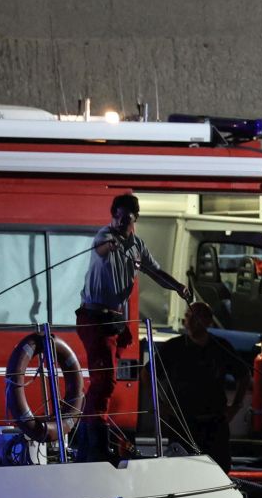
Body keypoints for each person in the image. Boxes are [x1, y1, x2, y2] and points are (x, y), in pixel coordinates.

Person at [74, 192, 191, 461]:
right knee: (105, 380)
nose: (118, 221)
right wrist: (110, 247)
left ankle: (92, 433)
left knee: (105, 381)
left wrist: (178, 287)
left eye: (124, 217)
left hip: (115, 319)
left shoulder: (137, 245)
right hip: (94, 317)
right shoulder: (105, 236)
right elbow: (101, 248)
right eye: (115, 215)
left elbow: (155, 271)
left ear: (134, 218)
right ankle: (93, 441)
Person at [156, 301, 247, 469]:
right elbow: (148, 375)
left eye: (195, 317)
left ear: (208, 321)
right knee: (181, 470)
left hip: (214, 424)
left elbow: (243, 375)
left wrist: (236, 406)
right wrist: (160, 405)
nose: (189, 322)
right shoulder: (173, 347)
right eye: (187, 317)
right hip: (182, 424)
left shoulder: (220, 347)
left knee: (218, 470)